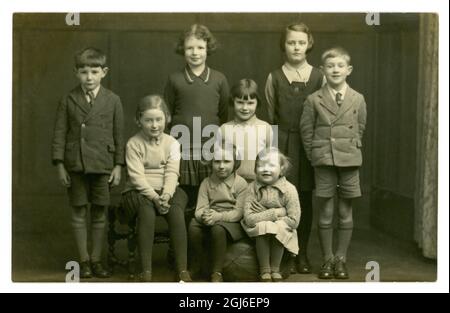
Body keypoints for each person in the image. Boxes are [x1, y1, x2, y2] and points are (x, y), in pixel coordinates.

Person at [52, 47, 124, 279]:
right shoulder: (68, 99)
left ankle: (96, 260)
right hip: (76, 166)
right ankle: (83, 261)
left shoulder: (113, 100)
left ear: (104, 72)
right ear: (76, 73)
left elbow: (119, 136)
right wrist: (60, 164)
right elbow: (59, 134)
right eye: (84, 72)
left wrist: (118, 165)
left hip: (103, 165)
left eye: (94, 71)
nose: (89, 77)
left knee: (100, 214)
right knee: (79, 213)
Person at [300, 47, 367, 279]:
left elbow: (360, 127)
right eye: (330, 66)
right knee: (326, 211)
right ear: (322, 70)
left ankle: (341, 259)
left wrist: (349, 148)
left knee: (345, 211)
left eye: (340, 66)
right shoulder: (313, 99)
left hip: (349, 161)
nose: (335, 70)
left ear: (349, 70)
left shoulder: (358, 98)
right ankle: (327, 260)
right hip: (324, 161)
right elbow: (306, 131)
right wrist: (316, 156)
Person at [264, 23, 324, 273]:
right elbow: (269, 116)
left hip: (308, 144)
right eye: (291, 42)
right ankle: (286, 252)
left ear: (309, 44)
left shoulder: (319, 77)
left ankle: (302, 254)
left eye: (301, 42)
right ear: (284, 45)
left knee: (305, 200)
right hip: (282, 145)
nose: (296, 47)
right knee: (282, 199)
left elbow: (324, 114)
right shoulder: (274, 77)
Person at [122, 95, 191, 282]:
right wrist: (154, 197)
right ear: (138, 120)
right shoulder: (133, 144)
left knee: (176, 212)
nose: (154, 125)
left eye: (158, 119)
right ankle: (146, 271)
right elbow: (136, 177)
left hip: (168, 189)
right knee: (146, 212)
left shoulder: (172, 143)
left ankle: (182, 269)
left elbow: (172, 172)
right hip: (140, 191)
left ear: (167, 119)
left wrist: (167, 195)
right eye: (148, 120)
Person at [164, 24, 230, 213]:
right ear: (182, 50)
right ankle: (185, 241)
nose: (195, 53)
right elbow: (166, 116)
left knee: (210, 198)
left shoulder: (219, 79)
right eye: (189, 48)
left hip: (210, 149)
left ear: (208, 49)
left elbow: (223, 116)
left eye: (200, 47)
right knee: (184, 199)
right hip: (182, 148)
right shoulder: (174, 79)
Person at [188, 143, 248, 282]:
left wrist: (218, 217)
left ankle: (217, 272)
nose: (221, 166)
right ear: (211, 163)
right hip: (211, 216)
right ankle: (197, 265)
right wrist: (204, 216)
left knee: (218, 229)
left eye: (227, 161)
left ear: (235, 163)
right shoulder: (206, 183)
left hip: (232, 221)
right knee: (193, 226)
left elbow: (239, 212)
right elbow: (200, 208)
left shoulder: (241, 184)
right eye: (217, 161)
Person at [241, 147, 301, 282]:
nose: (265, 169)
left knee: (278, 226)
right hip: (257, 230)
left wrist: (266, 214)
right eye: (261, 165)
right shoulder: (252, 188)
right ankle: (265, 270)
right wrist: (276, 212)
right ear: (255, 169)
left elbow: (294, 220)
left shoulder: (289, 189)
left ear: (282, 169)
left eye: (271, 165)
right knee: (265, 225)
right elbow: (249, 219)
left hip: (283, 231)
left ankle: (275, 269)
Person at [218, 78, 273, 183]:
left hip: (258, 184)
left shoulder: (266, 128)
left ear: (257, 103)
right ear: (232, 101)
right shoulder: (224, 129)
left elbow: (271, 161)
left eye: (250, 103)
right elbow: (218, 162)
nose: (245, 107)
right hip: (231, 185)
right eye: (240, 102)